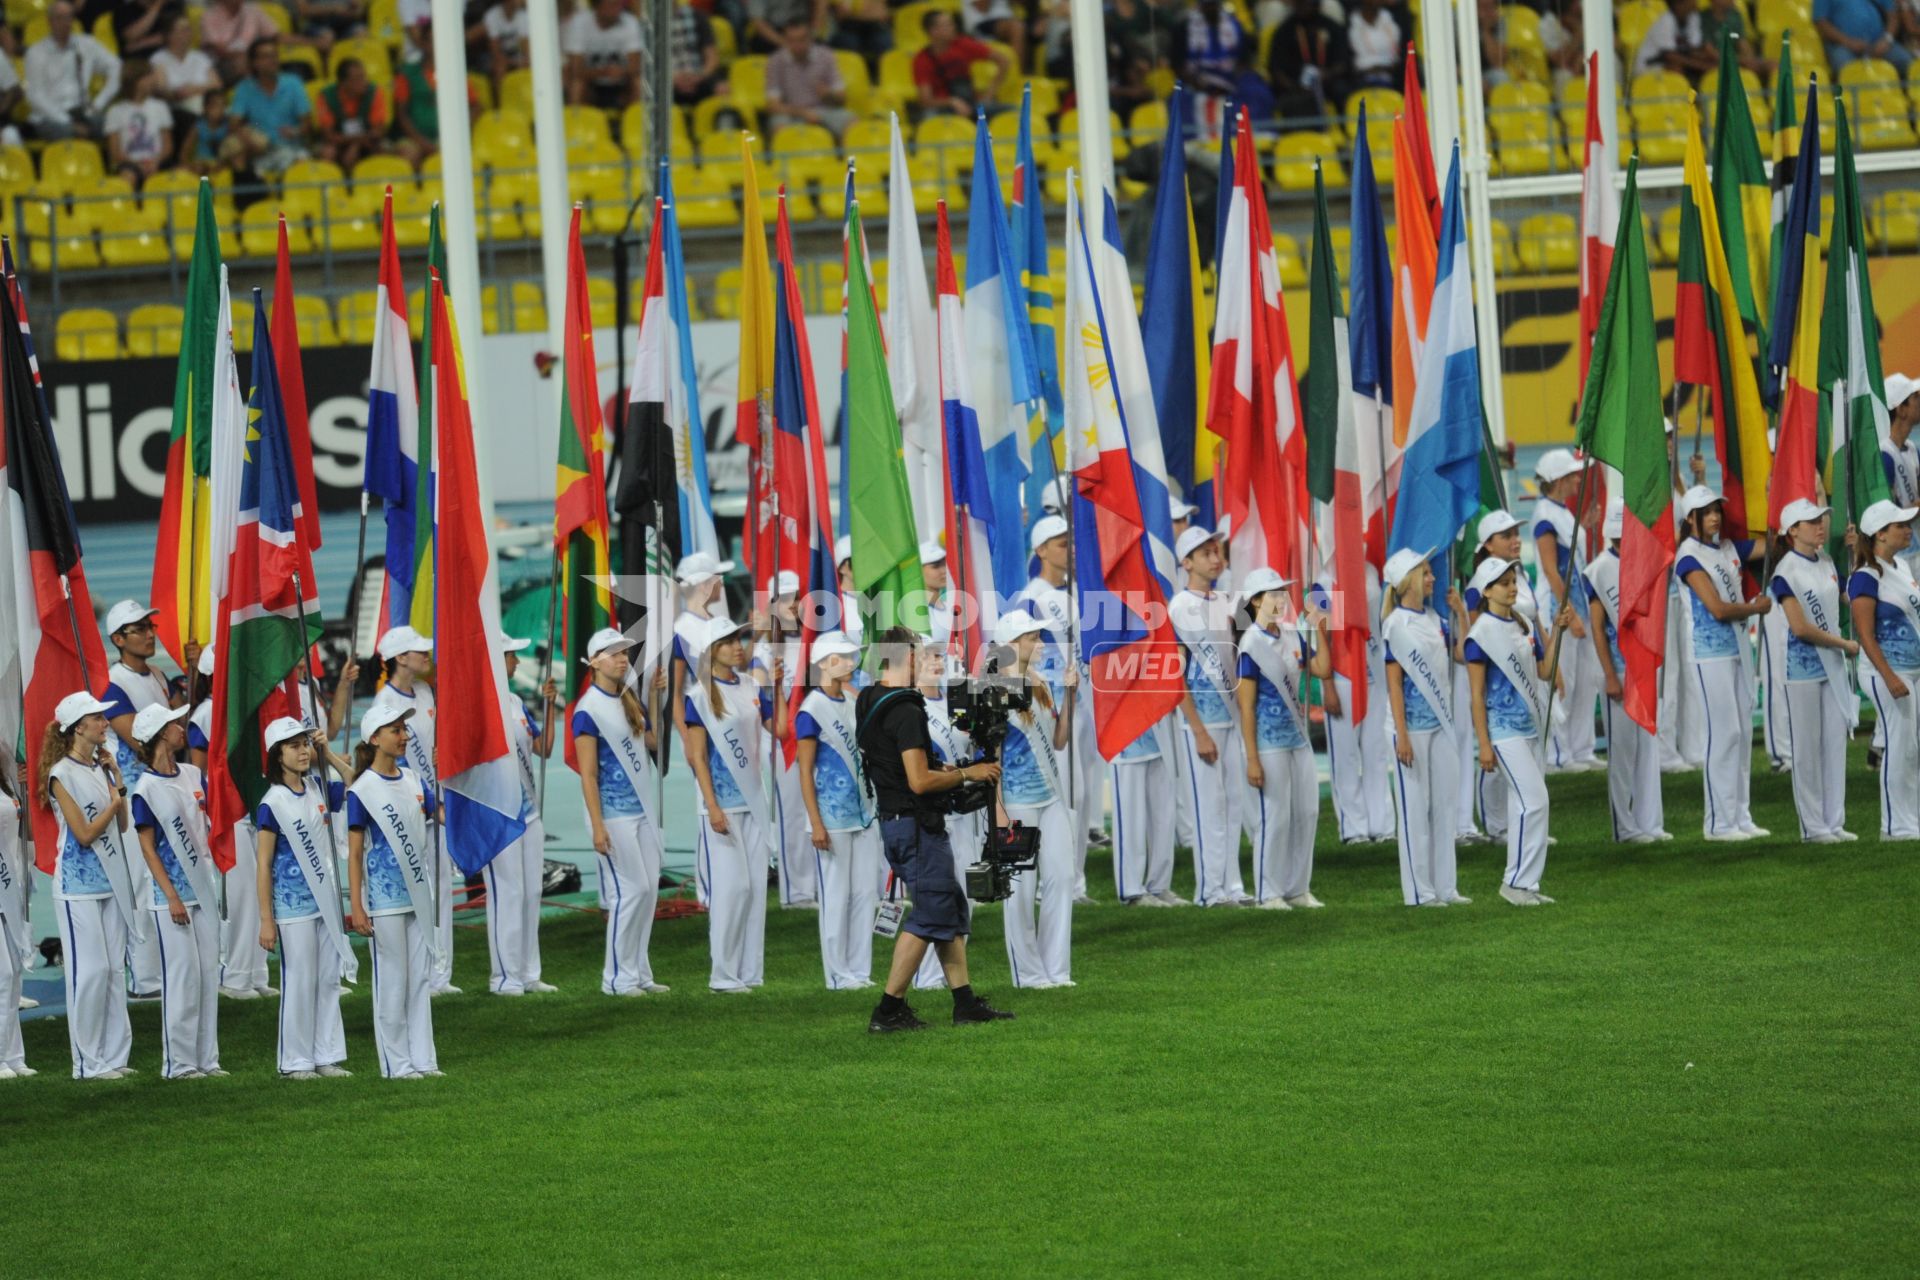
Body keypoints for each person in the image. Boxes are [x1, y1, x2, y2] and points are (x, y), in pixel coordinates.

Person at [855, 626, 1011, 1031]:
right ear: (906, 658)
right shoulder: (906, 709)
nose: (924, 661)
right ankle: (889, 1009)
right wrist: (967, 773)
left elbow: (895, 763)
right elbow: (919, 782)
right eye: (920, 654)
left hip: (897, 822)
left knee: (950, 909)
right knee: (930, 914)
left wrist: (946, 769)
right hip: (915, 825)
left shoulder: (870, 698)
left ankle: (965, 1003)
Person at [43, 691, 140, 1079]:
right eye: (98, 718)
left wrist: (116, 778)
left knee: (115, 971)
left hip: (109, 882)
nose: (105, 723)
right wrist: (114, 805)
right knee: (90, 972)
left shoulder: (100, 768)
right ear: (79, 726)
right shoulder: (60, 774)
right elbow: (83, 834)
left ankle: (115, 1057)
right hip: (76, 887)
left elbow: (123, 825)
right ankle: (87, 1062)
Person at [572, 628, 670, 997]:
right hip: (613, 816)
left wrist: (656, 700)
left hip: (641, 811)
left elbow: (651, 742)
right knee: (632, 891)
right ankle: (615, 978)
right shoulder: (587, 710)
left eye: (625, 653)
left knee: (647, 893)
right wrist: (598, 826)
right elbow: (589, 774)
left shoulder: (629, 700)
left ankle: (639, 971)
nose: (622, 659)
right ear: (595, 661)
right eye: (613, 653)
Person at [255, 717, 354, 1079]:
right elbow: (263, 865)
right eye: (293, 745)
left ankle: (326, 1055)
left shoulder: (318, 786)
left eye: (304, 743)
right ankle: (295, 1061)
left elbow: (355, 782)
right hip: (292, 908)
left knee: (328, 979)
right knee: (299, 980)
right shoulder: (272, 803)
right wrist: (266, 919)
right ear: (276, 755)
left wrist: (327, 753)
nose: (302, 751)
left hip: (325, 903)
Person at [346, 704, 442, 1079]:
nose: (404, 736)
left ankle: (424, 1060)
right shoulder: (362, 791)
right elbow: (354, 854)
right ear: (374, 739)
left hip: (418, 897)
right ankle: (397, 1064)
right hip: (384, 901)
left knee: (419, 978)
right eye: (395, 730)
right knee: (392, 980)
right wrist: (356, 906)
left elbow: (441, 813)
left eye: (404, 728)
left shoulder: (415, 780)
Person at [128, 703, 222, 1079]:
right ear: (158, 734)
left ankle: (207, 1059)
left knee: (206, 975)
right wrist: (170, 896)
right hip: (174, 897)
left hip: (204, 888)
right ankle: (179, 1064)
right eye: (174, 724)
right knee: (182, 977)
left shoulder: (193, 774)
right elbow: (148, 848)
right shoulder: (145, 790)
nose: (182, 727)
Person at [684, 615, 776, 994]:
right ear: (712, 651)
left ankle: (749, 972)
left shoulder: (751, 685)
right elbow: (697, 757)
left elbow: (779, 730)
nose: (739, 646)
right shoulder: (699, 697)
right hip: (721, 806)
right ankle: (722, 974)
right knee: (732, 888)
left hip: (754, 803)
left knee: (754, 888)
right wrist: (712, 804)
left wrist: (779, 690)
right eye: (729, 642)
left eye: (739, 639)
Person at [1674, 485, 1772, 841]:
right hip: (1708, 655)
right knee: (1724, 733)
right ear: (1691, 519)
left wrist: (1772, 503)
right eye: (1707, 511)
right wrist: (1754, 607)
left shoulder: (1729, 547)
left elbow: (1774, 545)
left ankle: (1740, 815)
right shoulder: (1688, 556)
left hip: (1736, 651)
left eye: (1718, 509)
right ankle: (1717, 822)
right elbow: (1716, 608)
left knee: (1743, 732)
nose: (1715, 516)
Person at [1464, 558, 1558, 906]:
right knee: (1535, 801)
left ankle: (1523, 885)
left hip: (1529, 728)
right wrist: (1484, 744)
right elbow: (1476, 695)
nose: (1512, 586)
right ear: (1486, 591)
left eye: (1512, 580)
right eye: (1502, 583)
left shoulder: (1522, 626)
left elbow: (1545, 672)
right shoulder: (1479, 636)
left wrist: (1558, 631)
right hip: (1503, 733)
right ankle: (1517, 882)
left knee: (1526, 804)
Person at [991, 609, 1078, 986]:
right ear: (1012, 643)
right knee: (1021, 889)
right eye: (1032, 638)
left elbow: (1059, 741)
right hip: (1017, 801)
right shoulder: (991, 687)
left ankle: (1056, 969)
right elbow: (990, 756)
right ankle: (1026, 972)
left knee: (1061, 877)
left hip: (1051, 797)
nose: (1040, 644)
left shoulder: (1039, 681)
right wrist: (997, 811)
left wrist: (1070, 694)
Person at [1017, 514, 1102, 899]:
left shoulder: (1075, 593)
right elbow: (1022, 656)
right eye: (1061, 543)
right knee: (1060, 792)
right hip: (1050, 706)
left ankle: (1074, 880)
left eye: (1070, 542)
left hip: (1080, 703)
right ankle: (1049, 882)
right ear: (1041, 551)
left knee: (1081, 796)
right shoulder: (1030, 597)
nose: (1069, 549)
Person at [1237, 567, 1331, 909]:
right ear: (1256, 601)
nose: (1280, 599)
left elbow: (1322, 669)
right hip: (1268, 744)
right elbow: (1246, 707)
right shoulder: (1250, 645)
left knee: (1307, 811)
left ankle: (1298, 887)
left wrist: (1319, 627)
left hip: (1298, 739)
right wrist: (1252, 757)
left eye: (1282, 593)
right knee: (1274, 817)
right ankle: (1268, 891)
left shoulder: (1293, 634)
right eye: (1272, 594)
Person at [370, 625, 457, 994]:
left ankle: (441, 974)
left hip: (436, 803)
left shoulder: (425, 691)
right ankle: (421, 971)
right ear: (399, 658)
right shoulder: (382, 706)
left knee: (442, 888)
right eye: (418, 651)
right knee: (417, 890)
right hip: (410, 810)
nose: (426, 655)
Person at [795, 631, 882, 990]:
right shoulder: (810, 710)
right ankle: (837, 973)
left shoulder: (850, 700)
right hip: (831, 819)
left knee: (865, 894)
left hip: (861, 814)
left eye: (851, 656)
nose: (851, 662)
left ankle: (859, 970)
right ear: (824, 663)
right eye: (844, 657)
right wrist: (815, 822)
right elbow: (804, 771)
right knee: (835, 895)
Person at [1382, 547, 1468, 908]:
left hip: (1440, 726)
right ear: (1409, 581)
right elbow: (1395, 683)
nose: (1433, 578)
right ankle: (1419, 891)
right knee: (1416, 809)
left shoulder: (1436, 618)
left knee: (1445, 806)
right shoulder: (1395, 625)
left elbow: (1463, 654)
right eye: (1427, 573)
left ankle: (1446, 888)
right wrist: (1401, 733)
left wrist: (1461, 612)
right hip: (1411, 730)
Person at [1169, 526, 1249, 906]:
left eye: (1217, 551)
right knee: (1208, 807)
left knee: (1234, 801)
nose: (1216, 558)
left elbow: (1253, 647)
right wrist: (1198, 730)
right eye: (1205, 554)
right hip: (1201, 720)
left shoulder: (1230, 600)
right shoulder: (1177, 608)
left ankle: (1233, 885)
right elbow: (1174, 676)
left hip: (1233, 717)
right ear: (1186, 563)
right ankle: (1209, 889)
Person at [1771, 499, 1858, 842]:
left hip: (1832, 665)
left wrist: (1856, 557)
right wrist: (1843, 645)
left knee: (1834, 744)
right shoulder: (1784, 572)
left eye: (1821, 520)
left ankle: (1834, 821)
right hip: (1803, 671)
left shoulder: (1826, 560)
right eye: (1811, 522)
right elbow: (1801, 627)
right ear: (1793, 530)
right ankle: (1813, 826)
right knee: (1807, 748)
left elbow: (1844, 597)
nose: (1821, 525)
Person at [1584, 500, 1670, 845]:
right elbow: (1597, 623)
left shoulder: (1644, 563)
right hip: (1619, 672)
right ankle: (1626, 826)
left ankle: (1650, 822)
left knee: (1648, 748)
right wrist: (1609, 673)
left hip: (1644, 670)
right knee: (1622, 753)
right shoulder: (1599, 570)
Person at [1456, 510, 1542, 844]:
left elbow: (1530, 620)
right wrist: (1330, 674)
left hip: (1521, 664)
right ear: (1489, 544)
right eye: (1506, 535)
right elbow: (1479, 630)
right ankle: (1358, 827)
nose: (1515, 540)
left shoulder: (1517, 576)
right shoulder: (1334, 562)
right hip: (1352, 669)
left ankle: (1365, 826)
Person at [488, 637, 557, 997]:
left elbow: (543, 748)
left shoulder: (516, 703)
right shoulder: (483, 706)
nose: (516, 661)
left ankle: (529, 972)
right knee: (507, 893)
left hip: (529, 813)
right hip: (500, 815)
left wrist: (548, 708)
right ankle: (504, 976)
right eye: (511, 655)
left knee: (531, 892)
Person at [913, 643, 983, 991]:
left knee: (967, 893)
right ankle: (926, 975)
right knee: (940, 895)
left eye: (938, 656)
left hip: (964, 810)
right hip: (937, 814)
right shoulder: (912, 706)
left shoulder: (954, 700)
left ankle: (945, 973)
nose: (935, 663)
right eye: (927, 657)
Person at [1850, 499, 1920, 839]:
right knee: (1898, 743)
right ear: (1879, 534)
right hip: (1887, 673)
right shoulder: (1865, 578)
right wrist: (1889, 676)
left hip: (1912, 671)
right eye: (1900, 526)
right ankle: (1894, 825)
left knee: (1913, 746)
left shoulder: (1902, 568)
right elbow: (1864, 634)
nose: (1908, 530)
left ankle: (1912, 818)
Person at [1311, 567, 1395, 844]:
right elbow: (1319, 633)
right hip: (1342, 677)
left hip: (1375, 676)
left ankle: (1381, 823)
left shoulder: (1371, 569)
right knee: (1345, 756)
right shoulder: (1322, 581)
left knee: (1376, 751)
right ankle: (1353, 827)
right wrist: (1328, 686)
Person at [1532, 448, 1602, 773]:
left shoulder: (1562, 512)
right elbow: (1550, 569)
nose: (1578, 479)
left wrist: (1585, 524)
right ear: (1559, 480)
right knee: (1563, 682)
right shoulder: (1545, 516)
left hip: (1579, 608)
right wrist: (1570, 615)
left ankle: (1581, 748)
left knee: (1587, 681)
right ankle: (1557, 755)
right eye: (1573, 475)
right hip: (1558, 611)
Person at [754, 573, 816, 910]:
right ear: (773, 605)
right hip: (782, 743)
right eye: (786, 599)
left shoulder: (809, 644)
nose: (794, 605)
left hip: (812, 739)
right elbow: (761, 696)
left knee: (814, 809)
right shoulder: (764, 650)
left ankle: (816, 881)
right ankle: (797, 890)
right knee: (792, 812)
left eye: (798, 597)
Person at [24, 2, 123, 140]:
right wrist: (68, 121)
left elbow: (116, 65)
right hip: (50, 115)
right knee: (67, 132)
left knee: (116, 125)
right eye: (60, 18)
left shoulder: (86, 44)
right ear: (50, 21)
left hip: (83, 111)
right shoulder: (36, 52)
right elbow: (36, 95)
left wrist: (99, 102)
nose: (65, 23)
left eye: (69, 17)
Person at [229, 38, 312, 175]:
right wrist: (247, 137)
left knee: (296, 162)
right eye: (266, 57)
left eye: (274, 55)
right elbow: (233, 125)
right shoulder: (244, 89)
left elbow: (307, 124)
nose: (273, 60)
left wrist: (295, 131)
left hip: (291, 147)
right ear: (255, 63)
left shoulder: (293, 83)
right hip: (261, 151)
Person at [911, 9, 1011, 119]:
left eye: (951, 23)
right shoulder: (922, 59)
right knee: (929, 117)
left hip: (972, 104)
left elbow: (1003, 60)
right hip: (944, 108)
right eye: (947, 25)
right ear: (933, 31)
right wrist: (952, 101)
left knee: (1013, 112)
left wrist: (989, 93)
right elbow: (926, 100)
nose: (953, 27)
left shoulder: (962, 44)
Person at [765, 18, 853, 137]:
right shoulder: (776, 61)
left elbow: (841, 98)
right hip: (791, 112)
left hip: (824, 109)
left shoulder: (826, 56)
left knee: (852, 122)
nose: (797, 46)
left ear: (810, 39)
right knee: (778, 126)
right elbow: (773, 106)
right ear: (785, 40)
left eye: (801, 40)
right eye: (792, 41)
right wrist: (803, 113)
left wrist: (828, 95)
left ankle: (850, 155)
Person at [1267, 0, 1349, 122]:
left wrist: (1327, 74)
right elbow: (1276, 69)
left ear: (1317, 5)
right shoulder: (1284, 31)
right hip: (1295, 86)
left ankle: (1345, 131)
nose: (1302, 7)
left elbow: (1343, 62)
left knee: (1342, 90)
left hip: (1327, 83)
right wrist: (1294, 86)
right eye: (1299, 4)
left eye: (1307, 3)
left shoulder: (1332, 27)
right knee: (1290, 99)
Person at [312, 55, 390, 169]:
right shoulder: (326, 96)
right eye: (358, 79)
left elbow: (378, 130)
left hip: (368, 141)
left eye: (364, 76)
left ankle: (380, 183)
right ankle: (331, 185)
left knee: (384, 149)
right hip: (338, 143)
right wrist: (355, 141)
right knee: (327, 152)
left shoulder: (374, 92)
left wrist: (356, 145)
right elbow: (328, 135)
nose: (365, 82)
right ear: (344, 83)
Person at [563, 0, 644, 109]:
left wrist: (621, 71)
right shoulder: (579, 23)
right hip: (590, 84)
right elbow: (575, 68)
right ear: (597, 6)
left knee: (638, 81)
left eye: (619, 5)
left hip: (622, 83)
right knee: (576, 82)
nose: (618, 9)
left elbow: (635, 65)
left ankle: (635, 120)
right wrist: (601, 72)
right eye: (612, 5)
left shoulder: (630, 22)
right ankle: (576, 120)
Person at [105, 60, 174, 185]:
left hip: (157, 162)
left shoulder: (161, 107)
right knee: (127, 177)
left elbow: (167, 145)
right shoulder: (115, 111)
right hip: (129, 164)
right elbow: (115, 151)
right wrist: (138, 165)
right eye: (148, 77)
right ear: (135, 80)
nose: (152, 81)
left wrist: (155, 162)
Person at [152, 14, 219, 135]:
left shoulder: (200, 57)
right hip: (178, 109)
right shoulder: (159, 59)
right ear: (169, 35)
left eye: (189, 29)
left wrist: (193, 89)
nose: (189, 33)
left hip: (206, 105)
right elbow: (161, 89)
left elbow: (217, 83)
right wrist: (178, 94)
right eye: (184, 29)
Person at [1815, 0, 1914, 76]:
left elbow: (1893, 15)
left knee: (1906, 62)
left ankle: (1907, 98)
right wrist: (1847, 42)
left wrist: (1887, 39)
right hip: (1843, 45)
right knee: (1844, 66)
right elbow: (1821, 22)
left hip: (1879, 42)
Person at [1634, 0, 1717, 79]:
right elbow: (1671, 56)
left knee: (1711, 64)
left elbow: (1695, 48)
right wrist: (1702, 66)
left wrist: (1712, 61)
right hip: (1651, 66)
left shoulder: (1693, 17)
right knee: (1674, 67)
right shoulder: (1665, 21)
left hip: (1679, 61)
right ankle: (1680, 93)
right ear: (1679, 3)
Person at [201, 0, 281, 81]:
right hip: (221, 62)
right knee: (248, 63)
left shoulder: (253, 11)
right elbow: (218, 49)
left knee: (269, 59)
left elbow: (275, 35)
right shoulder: (209, 16)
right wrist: (248, 57)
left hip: (250, 58)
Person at [480, 0, 531, 95]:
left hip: (516, 56)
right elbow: (495, 50)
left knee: (529, 64)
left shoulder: (523, 16)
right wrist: (511, 62)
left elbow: (526, 47)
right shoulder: (492, 15)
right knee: (500, 66)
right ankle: (501, 104)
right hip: (495, 57)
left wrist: (523, 61)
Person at [1347, 0, 1401, 88]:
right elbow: (1357, 54)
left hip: (1390, 73)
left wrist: (1386, 66)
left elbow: (1395, 52)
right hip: (1362, 75)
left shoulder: (1389, 19)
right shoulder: (1354, 21)